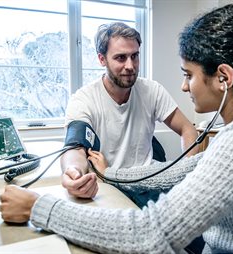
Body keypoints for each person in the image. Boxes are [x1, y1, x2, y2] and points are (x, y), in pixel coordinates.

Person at [0, 4, 233, 253]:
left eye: (188, 75)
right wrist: (112, 174)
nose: (184, 87)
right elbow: (181, 171)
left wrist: (38, 207)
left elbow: (150, 235)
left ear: (224, 77)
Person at [60, 22, 199, 204]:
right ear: (102, 59)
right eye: (120, 58)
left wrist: (185, 173)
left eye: (134, 56)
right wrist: (74, 172)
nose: (130, 66)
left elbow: (188, 130)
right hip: (110, 185)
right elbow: (75, 148)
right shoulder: (83, 100)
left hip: (149, 184)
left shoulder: (152, 90)